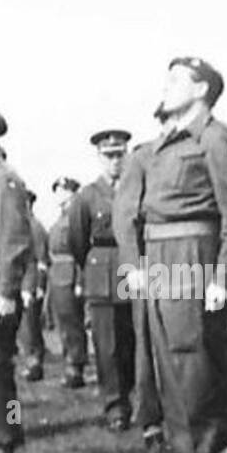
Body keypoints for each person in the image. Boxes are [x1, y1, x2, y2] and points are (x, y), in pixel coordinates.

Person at [122, 56, 227, 453]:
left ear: (202, 90)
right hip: (160, 259)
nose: (166, 85)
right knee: (169, 372)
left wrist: (224, 277)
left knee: (197, 368)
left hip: (193, 255)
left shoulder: (215, 139)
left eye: (176, 79)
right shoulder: (160, 146)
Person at [68, 129, 136, 431]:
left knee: (135, 341)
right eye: (109, 156)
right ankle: (116, 407)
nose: (115, 161)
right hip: (103, 271)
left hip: (134, 269)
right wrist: (94, 268)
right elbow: (78, 241)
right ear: (99, 157)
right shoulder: (87, 195)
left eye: (120, 154)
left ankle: (142, 399)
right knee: (107, 346)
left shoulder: (137, 188)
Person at [0, 106, 33, 453]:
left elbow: (14, 239)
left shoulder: (2, 179)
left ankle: (7, 442)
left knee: (0, 370)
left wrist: (7, 291)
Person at [113, 127, 167, 453]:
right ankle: (152, 420)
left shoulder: (205, 146)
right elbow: (125, 216)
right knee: (147, 342)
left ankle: (195, 419)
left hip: (191, 262)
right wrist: (133, 266)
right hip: (151, 263)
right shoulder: (143, 157)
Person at [47, 176, 86, 388]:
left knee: (73, 324)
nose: (58, 195)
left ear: (71, 193)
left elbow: (81, 251)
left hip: (71, 275)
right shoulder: (59, 219)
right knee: (62, 322)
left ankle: (75, 366)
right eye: (57, 191)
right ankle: (69, 362)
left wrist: (80, 281)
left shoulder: (75, 218)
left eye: (62, 191)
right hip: (57, 275)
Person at [18, 190, 49, 381]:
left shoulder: (34, 227)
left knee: (31, 327)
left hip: (31, 285)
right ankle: (30, 362)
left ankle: (35, 364)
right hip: (22, 283)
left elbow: (42, 262)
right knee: (25, 327)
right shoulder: (22, 225)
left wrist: (39, 286)